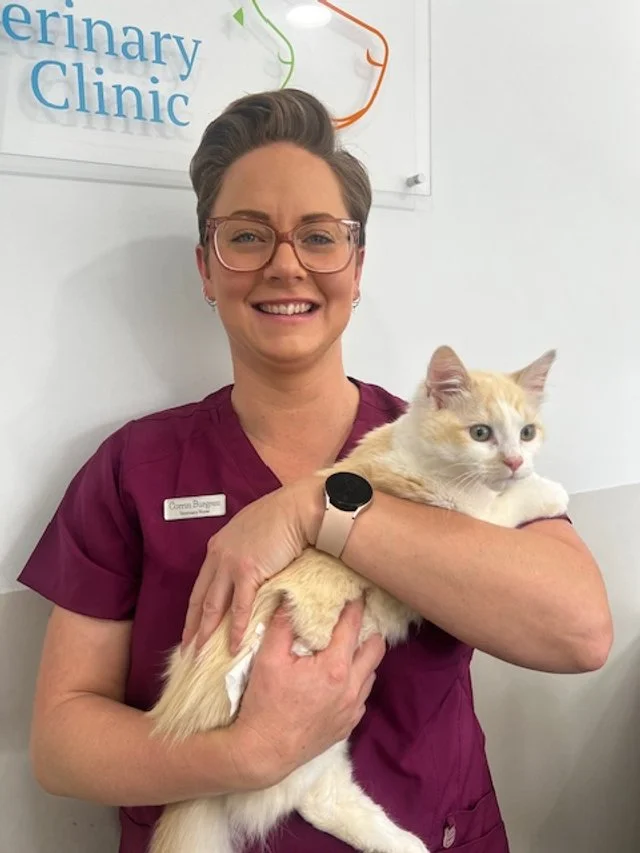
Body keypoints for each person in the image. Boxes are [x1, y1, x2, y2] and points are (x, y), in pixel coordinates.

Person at [19, 89, 612, 853]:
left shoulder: (447, 442)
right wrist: (246, 754)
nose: (285, 265)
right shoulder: (131, 468)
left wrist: (316, 508)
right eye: (247, 236)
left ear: (357, 266)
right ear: (206, 267)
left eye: (320, 237)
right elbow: (61, 742)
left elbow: (581, 632)